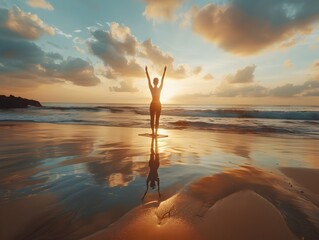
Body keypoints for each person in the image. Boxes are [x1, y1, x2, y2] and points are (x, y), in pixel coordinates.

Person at [145, 66, 167, 136]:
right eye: (155, 81)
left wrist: (164, 72)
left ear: (157, 82)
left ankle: (156, 132)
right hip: (152, 105)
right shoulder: (151, 88)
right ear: (153, 82)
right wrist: (146, 72)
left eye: (157, 81)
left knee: (157, 120)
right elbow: (148, 79)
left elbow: (163, 79)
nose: (156, 82)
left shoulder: (160, 88)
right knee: (152, 119)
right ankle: (153, 132)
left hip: (158, 105)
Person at [141, 137, 161, 201]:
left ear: (153, 183)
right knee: (153, 152)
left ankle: (154, 140)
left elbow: (147, 189)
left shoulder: (156, 179)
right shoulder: (149, 179)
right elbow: (147, 189)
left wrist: (158, 192)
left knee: (155, 152)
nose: (153, 183)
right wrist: (158, 192)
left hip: (155, 165)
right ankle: (153, 140)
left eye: (153, 184)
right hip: (152, 165)